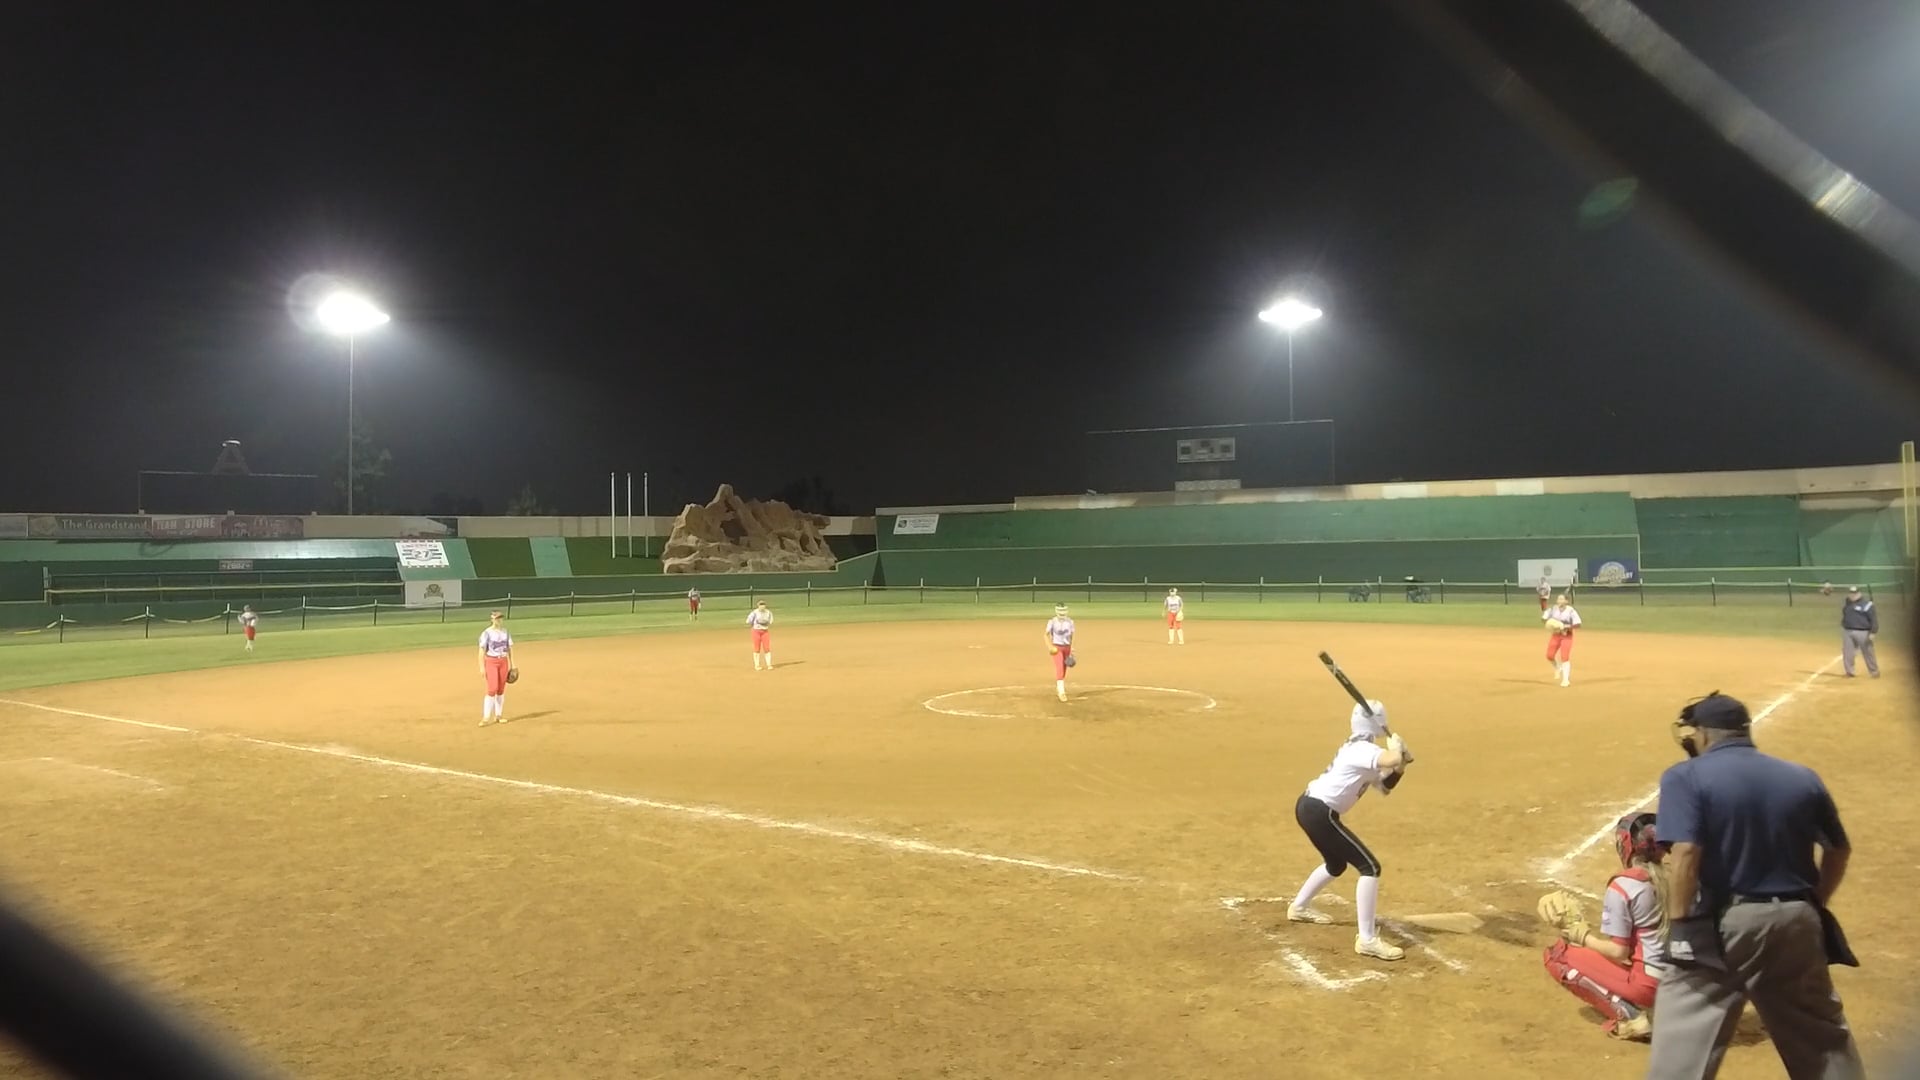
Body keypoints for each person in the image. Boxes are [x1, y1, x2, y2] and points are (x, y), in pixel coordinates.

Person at [1645, 692, 1865, 1080]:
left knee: (1682, 1041)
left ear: (1703, 734)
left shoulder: (1686, 776)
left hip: (1727, 926)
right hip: (1799, 920)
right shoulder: (1802, 776)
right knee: (1822, 1040)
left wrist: (1680, 927)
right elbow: (1839, 850)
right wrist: (1813, 903)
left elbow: (1687, 852)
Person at [1286, 699, 1413, 962]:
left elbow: (1385, 786)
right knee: (1370, 867)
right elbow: (1388, 758)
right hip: (1319, 812)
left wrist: (1400, 765)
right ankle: (1367, 940)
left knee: (1336, 864)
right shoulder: (1362, 749)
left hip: (1311, 808)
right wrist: (1397, 751)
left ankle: (1299, 907)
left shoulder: (1360, 748)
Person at [1536, 812, 1671, 1041]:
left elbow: (1619, 952)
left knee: (1558, 956)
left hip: (1650, 985)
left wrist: (1582, 935)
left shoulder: (1624, 886)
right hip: (1684, 984)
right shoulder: (1679, 877)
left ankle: (1631, 1017)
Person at [477, 610, 514, 727]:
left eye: (500, 618)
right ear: (492, 619)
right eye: (497, 618)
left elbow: (510, 649)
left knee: (500, 690)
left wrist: (513, 664)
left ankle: (498, 715)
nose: (499, 620)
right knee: (492, 689)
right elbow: (481, 651)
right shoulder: (486, 633)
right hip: (491, 662)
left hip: (503, 661)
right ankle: (486, 717)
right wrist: (482, 667)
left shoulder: (505, 632)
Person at [1839, 586, 1878, 679]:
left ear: (1859, 594)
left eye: (1855, 593)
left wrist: (1873, 632)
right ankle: (1849, 672)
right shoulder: (1847, 605)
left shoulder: (1867, 605)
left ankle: (1874, 671)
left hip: (1863, 632)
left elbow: (1873, 619)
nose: (1853, 595)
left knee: (1868, 652)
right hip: (1848, 631)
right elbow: (1845, 615)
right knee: (1847, 652)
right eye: (1851, 593)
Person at [1543, 593, 1581, 687]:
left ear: (1566, 601)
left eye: (1561, 599)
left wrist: (1566, 627)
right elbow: (1544, 619)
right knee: (1549, 656)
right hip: (1556, 635)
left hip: (1567, 636)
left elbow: (1578, 624)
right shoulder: (1553, 609)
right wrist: (1551, 623)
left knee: (1564, 657)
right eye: (1558, 599)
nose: (1559, 601)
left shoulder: (1571, 611)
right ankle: (1557, 667)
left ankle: (1565, 680)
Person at [1044, 603, 1075, 701]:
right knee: (1060, 667)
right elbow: (1045, 635)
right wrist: (1050, 647)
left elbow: (1072, 636)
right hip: (1057, 647)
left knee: (1064, 669)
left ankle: (1059, 687)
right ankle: (1061, 692)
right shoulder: (1052, 622)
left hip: (1067, 647)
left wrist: (1071, 648)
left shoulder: (1070, 622)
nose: (1062, 613)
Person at [747, 599, 773, 670]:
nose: (762, 606)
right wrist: (753, 625)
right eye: (760, 605)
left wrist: (765, 623)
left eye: (763, 605)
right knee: (757, 648)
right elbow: (748, 621)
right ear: (758, 606)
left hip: (765, 631)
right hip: (756, 631)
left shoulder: (768, 612)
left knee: (767, 648)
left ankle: (769, 664)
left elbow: (770, 621)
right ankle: (757, 665)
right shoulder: (754, 613)